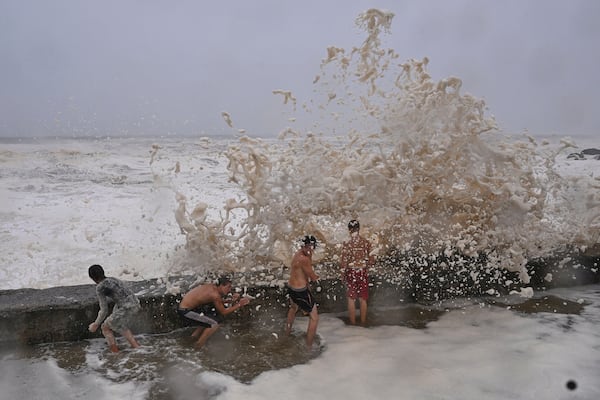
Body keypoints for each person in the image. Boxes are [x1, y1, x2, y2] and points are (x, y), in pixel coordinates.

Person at [177, 275, 250, 348]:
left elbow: (214, 300)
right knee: (214, 324)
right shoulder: (215, 295)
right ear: (221, 285)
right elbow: (223, 312)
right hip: (186, 312)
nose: (229, 290)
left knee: (208, 318)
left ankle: (192, 338)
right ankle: (199, 344)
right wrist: (239, 304)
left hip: (188, 308)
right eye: (228, 287)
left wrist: (230, 300)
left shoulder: (212, 287)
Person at [88, 264, 141, 352]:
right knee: (118, 325)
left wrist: (95, 324)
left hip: (126, 307)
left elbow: (104, 310)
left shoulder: (100, 287)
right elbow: (124, 295)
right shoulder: (113, 279)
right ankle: (137, 348)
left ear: (92, 278)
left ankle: (115, 352)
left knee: (105, 327)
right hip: (135, 303)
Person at [285, 235, 320, 348]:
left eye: (312, 247)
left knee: (293, 308)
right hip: (300, 291)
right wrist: (317, 278)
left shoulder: (299, 253)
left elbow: (304, 274)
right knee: (314, 318)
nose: (310, 250)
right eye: (308, 247)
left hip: (291, 287)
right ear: (303, 246)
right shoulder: (304, 259)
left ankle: (287, 333)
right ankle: (309, 347)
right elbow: (313, 276)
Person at [340, 220, 375, 326]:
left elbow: (344, 260)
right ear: (359, 229)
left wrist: (342, 274)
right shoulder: (365, 242)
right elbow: (372, 259)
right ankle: (363, 322)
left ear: (349, 230)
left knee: (351, 299)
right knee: (363, 299)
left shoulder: (347, 243)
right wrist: (366, 266)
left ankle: (353, 323)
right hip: (362, 271)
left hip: (351, 271)